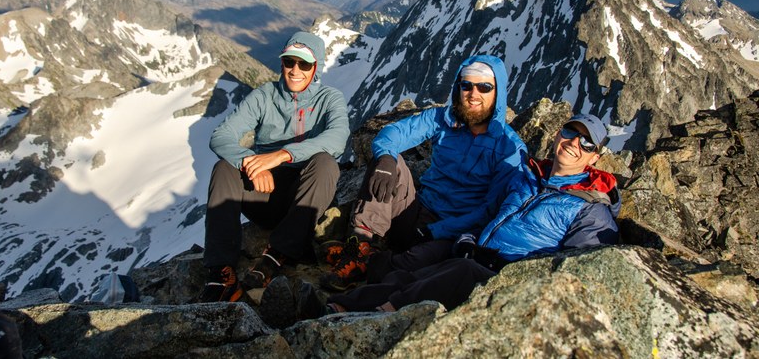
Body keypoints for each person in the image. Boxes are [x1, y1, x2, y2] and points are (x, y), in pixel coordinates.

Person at [309, 113, 620, 315]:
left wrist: (512, 270)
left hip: (510, 277)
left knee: (455, 275)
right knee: (414, 276)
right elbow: (490, 211)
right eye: (570, 132)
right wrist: (470, 237)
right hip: (477, 255)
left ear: (595, 155)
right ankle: (337, 308)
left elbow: (581, 269)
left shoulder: (592, 209)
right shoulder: (527, 175)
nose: (574, 143)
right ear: (558, 134)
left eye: (586, 142)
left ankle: (378, 317)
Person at [320, 55, 527, 291]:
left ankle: (373, 265)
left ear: (497, 93)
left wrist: (434, 231)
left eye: (484, 87)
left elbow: (490, 210)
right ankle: (361, 247)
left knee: (415, 263)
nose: (473, 94)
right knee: (390, 163)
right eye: (466, 85)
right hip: (418, 210)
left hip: (452, 231)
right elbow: (394, 133)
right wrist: (386, 157)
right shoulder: (444, 119)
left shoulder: (509, 148)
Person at [198, 31, 350, 303]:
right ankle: (221, 273)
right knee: (224, 169)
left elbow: (337, 139)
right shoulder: (264, 96)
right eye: (289, 62)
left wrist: (280, 155)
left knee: (326, 163)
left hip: (305, 196)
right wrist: (250, 162)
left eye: (304, 64)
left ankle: (276, 255)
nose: (295, 70)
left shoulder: (330, 98)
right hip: (264, 191)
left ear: (316, 68)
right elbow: (221, 136)